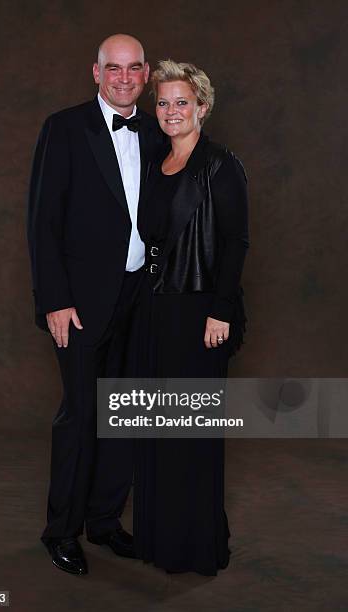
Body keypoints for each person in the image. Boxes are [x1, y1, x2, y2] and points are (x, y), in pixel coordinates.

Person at [27, 34, 165, 575]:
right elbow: (42, 222)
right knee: (82, 415)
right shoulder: (64, 128)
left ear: (147, 73)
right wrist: (55, 301)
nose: (124, 77)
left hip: (141, 297)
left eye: (134, 68)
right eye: (114, 68)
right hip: (81, 304)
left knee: (125, 414)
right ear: (96, 72)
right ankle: (61, 530)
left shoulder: (157, 131)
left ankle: (105, 522)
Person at [133, 60, 249, 575]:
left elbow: (234, 242)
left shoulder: (221, 164)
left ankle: (196, 546)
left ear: (202, 107)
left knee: (191, 431)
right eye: (163, 102)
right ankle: (160, 541)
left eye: (182, 102)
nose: (171, 111)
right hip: (155, 310)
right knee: (159, 429)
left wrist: (221, 312)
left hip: (200, 313)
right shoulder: (155, 161)